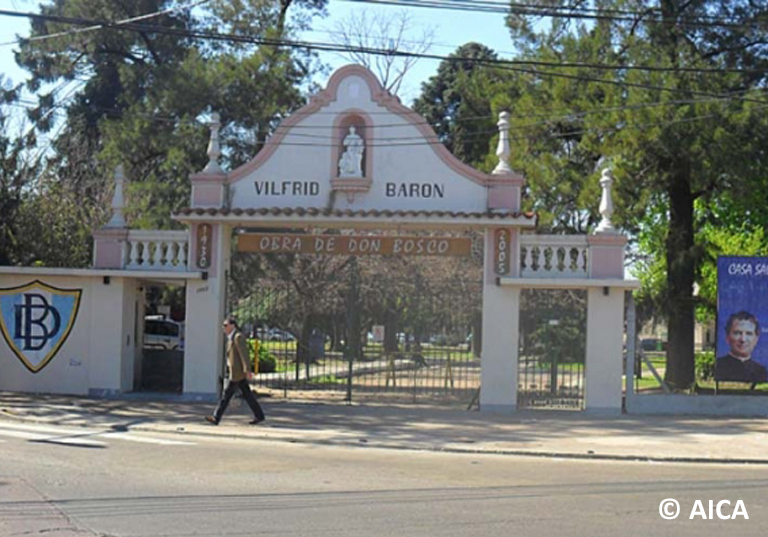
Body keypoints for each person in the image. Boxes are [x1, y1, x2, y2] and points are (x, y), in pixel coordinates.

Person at [205, 317, 265, 425]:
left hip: (237, 373)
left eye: (226, 325)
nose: (224, 328)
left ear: (233, 326)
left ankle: (216, 417)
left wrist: (247, 370)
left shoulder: (238, 337)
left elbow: (244, 355)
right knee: (247, 395)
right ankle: (259, 415)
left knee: (226, 395)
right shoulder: (231, 338)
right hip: (235, 372)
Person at [715, 311, 768, 384]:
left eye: (749, 334)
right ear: (727, 337)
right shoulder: (719, 366)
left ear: (756, 339)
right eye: (737, 333)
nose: (743, 339)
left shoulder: (761, 371)